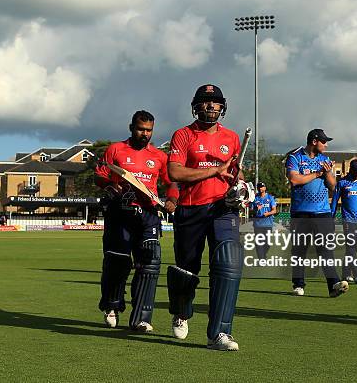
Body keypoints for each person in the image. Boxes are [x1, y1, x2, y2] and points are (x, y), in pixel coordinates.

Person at [167, 83, 248, 351]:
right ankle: (181, 311)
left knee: (229, 262)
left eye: (215, 102)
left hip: (223, 209)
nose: (210, 106)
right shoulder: (182, 135)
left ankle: (220, 333)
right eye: (204, 101)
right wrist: (214, 171)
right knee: (186, 270)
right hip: (191, 208)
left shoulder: (232, 138)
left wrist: (242, 189)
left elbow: (236, 173)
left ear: (222, 107)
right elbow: (176, 173)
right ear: (195, 105)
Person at [94, 110, 178, 333]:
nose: (145, 134)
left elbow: (172, 182)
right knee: (117, 262)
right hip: (120, 212)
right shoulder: (116, 149)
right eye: (141, 129)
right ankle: (112, 306)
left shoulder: (159, 156)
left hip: (148, 213)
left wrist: (171, 200)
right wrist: (112, 186)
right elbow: (100, 175)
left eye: (149, 130)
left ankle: (141, 318)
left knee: (149, 264)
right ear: (131, 127)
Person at [285, 129, 348, 298]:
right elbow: (294, 179)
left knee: (326, 250)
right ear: (314, 141)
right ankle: (298, 284)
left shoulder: (325, 160)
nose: (326, 145)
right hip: (300, 213)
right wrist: (318, 173)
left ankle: (333, 285)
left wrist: (327, 173)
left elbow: (333, 186)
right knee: (299, 251)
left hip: (323, 212)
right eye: (324, 141)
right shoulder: (295, 157)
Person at [250, 182, 277, 259]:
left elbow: (274, 210)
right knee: (259, 243)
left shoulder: (270, 198)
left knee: (267, 243)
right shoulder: (255, 198)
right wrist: (255, 209)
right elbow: (251, 210)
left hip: (268, 224)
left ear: (265, 188)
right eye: (259, 187)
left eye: (262, 187)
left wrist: (268, 213)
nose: (260, 188)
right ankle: (261, 258)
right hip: (257, 224)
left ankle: (263, 254)